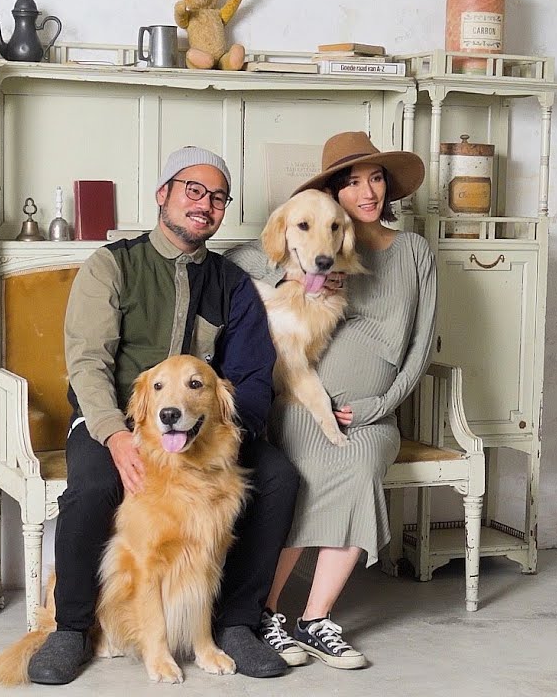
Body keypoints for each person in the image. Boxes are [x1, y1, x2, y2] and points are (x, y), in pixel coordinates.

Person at [27, 147, 300, 684]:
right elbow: (87, 363)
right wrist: (115, 435)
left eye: (217, 197)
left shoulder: (232, 284)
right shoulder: (112, 265)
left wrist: (225, 434)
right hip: (113, 422)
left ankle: (237, 624)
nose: (205, 204)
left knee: (278, 478)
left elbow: (252, 376)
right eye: (193, 190)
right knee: (94, 487)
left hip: (206, 428)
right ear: (163, 195)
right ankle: (70, 627)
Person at [226, 132, 437, 670]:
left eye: (376, 178)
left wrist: (380, 406)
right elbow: (238, 258)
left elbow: (420, 347)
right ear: (333, 195)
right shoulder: (321, 243)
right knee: (302, 472)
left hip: (372, 411)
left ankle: (315, 619)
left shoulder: (414, 251)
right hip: (306, 404)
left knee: (361, 464)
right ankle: (265, 614)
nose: (367, 192)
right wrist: (298, 269)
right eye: (352, 182)